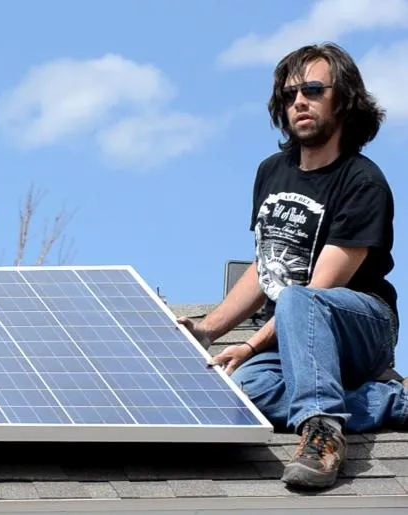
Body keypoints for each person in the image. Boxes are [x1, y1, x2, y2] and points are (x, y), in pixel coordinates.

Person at [177, 42, 405, 489]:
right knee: (241, 396)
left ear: (344, 100)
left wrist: (250, 346)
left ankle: (322, 431)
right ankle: (390, 403)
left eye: (314, 89)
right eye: (288, 94)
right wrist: (208, 331)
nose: (298, 101)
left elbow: (315, 294)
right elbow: (267, 268)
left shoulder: (363, 182)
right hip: (294, 337)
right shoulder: (271, 171)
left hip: (360, 325)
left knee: (301, 300)